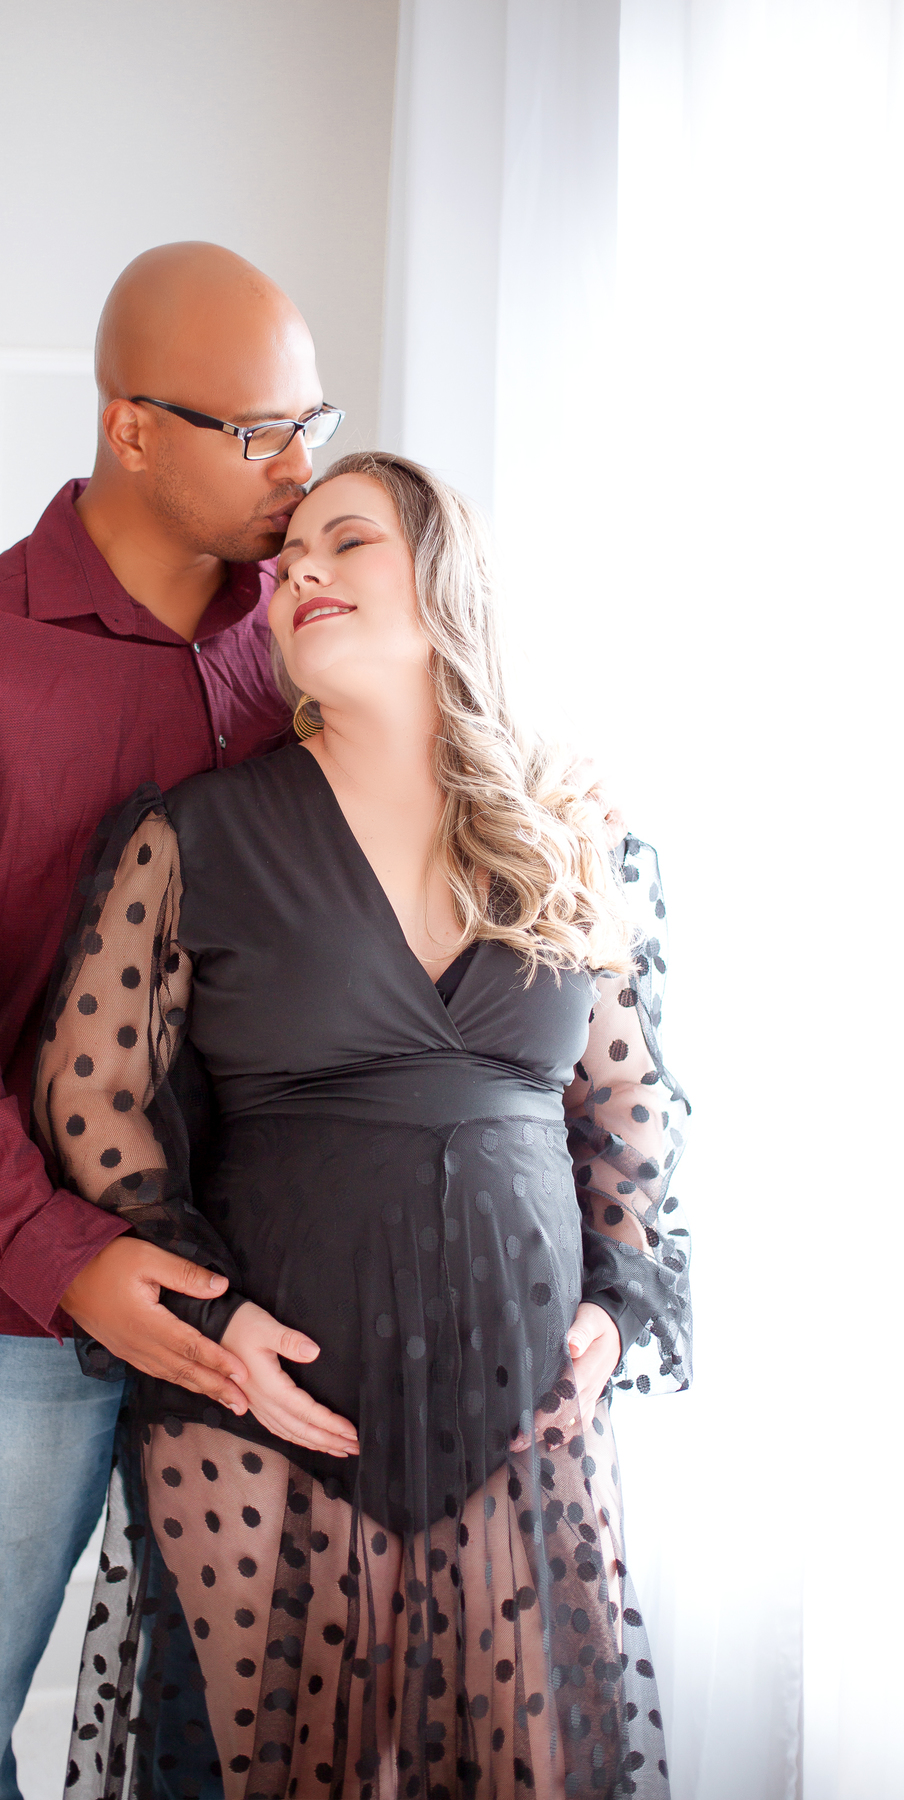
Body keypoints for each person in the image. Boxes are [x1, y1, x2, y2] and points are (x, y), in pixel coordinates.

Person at [34, 452, 692, 1800]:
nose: (302, 574)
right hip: (261, 1412)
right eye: (291, 561)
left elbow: (627, 1103)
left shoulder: (573, 837)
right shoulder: (198, 834)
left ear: (448, 582)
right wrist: (212, 1324)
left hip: (519, 1412)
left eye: (349, 541)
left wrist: (616, 1306)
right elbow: (94, 1095)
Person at [0, 241, 351, 1800]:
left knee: (227, 1744)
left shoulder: (316, 643)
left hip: (263, 1294)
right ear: (130, 427)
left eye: (312, 423)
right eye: (257, 432)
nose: (300, 468)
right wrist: (68, 1256)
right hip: (4, 1307)